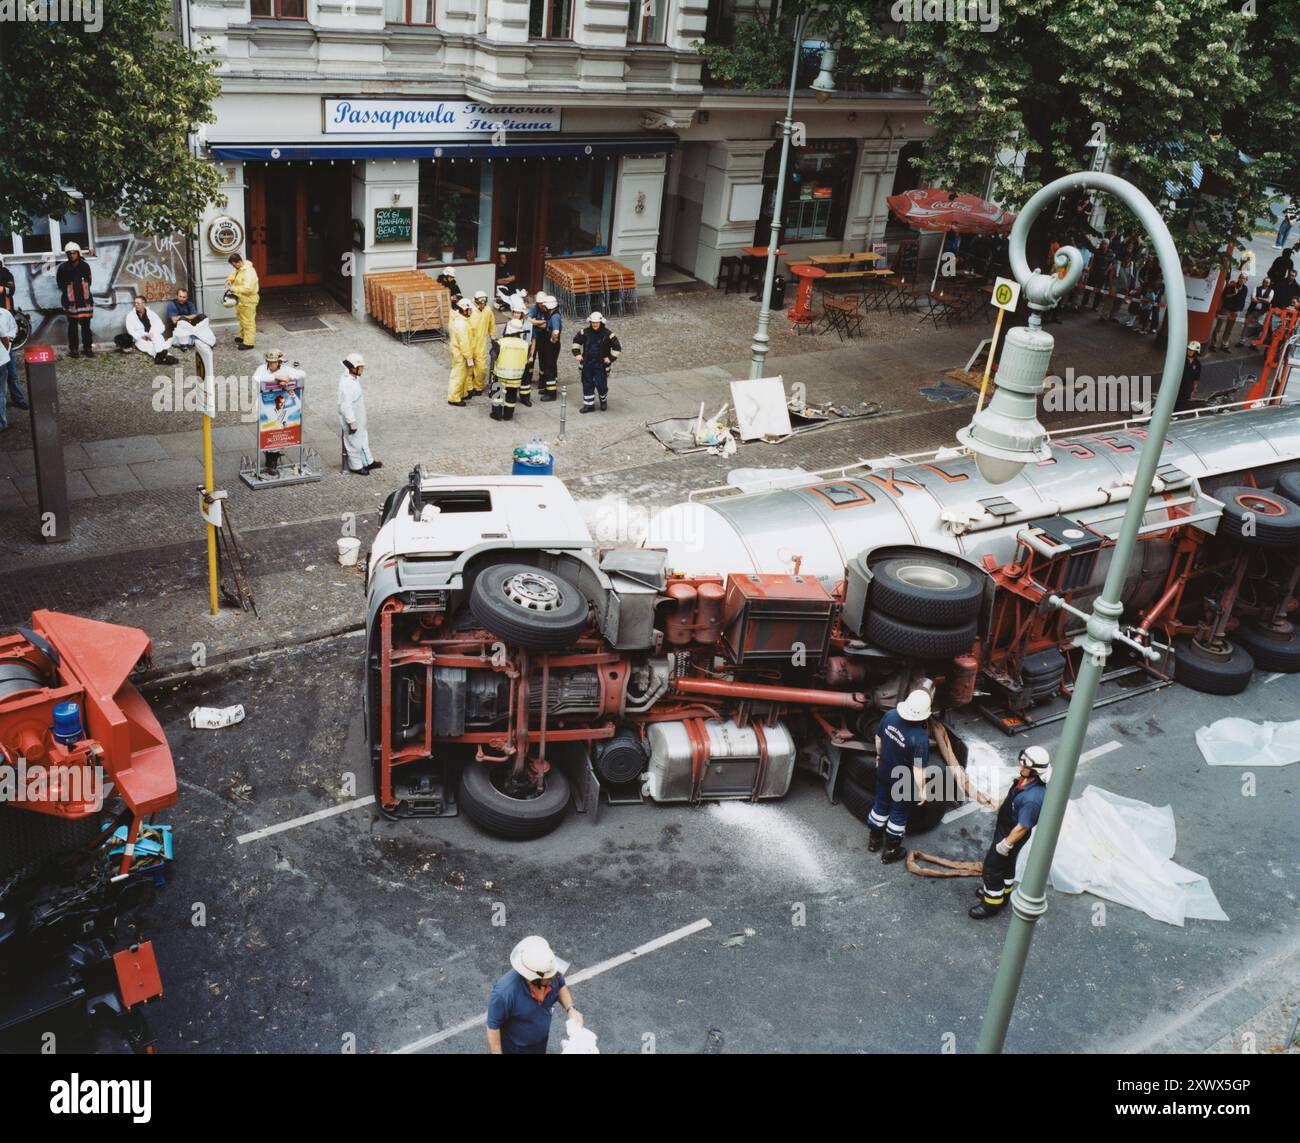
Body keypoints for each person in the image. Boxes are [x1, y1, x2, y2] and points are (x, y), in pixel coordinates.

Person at [968, 745, 1050, 919]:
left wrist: (1005, 844)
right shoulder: (1025, 780)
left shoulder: (1032, 799)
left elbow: (1023, 827)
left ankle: (991, 904)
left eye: (1025, 765)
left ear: (1036, 771)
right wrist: (999, 804)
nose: (1021, 767)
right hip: (1006, 828)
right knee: (1007, 865)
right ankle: (1003, 895)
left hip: (1011, 834)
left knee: (992, 868)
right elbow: (1014, 801)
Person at [485, 936, 582, 1055]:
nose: (555, 977)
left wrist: (570, 1008)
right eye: (549, 978)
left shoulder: (550, 971)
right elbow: (493, 1027)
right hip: (516, 1049)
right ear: (534, 979)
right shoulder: (504, 993)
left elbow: (561, 985)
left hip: (540, 1044)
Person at [866, 688, 932, 865]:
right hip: (902, 782)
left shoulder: (890, 715)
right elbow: (918, 770)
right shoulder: (920, 738)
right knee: (899, 812)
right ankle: (891, 851)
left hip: (884, 770)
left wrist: (878, 756)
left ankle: (874, 842)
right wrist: (922, 791)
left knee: (881, 803)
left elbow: (878, 739)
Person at [338, 352, 381, 475]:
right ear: (353, 368)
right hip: (352, 419)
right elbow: (345, 406)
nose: (362, 369)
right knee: (354, 443)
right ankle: (356, 466)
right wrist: (351, 421)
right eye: (360, 367)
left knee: (363, 439)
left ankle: (368, 462)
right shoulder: (346, 384)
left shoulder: (354, 379)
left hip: (359, 416)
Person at [571, 311, 621, 414]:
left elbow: (617, 347)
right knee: (587, 384)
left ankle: (603, 401)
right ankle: (589, 406)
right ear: (590, 322)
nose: (595, 324)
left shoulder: (608, 334)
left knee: (601, 385)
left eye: (596, 322)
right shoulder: (584, 332)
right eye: (593, 322)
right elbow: (576, 342)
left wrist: (610, 358)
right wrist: (577, 354)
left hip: (601, 365)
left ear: (601, 322)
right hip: (587, 364)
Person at [489, 319, 532, 422]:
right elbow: (527, 359)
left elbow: (493, 356)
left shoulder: (500, 342)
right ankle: (508, 415)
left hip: (501, 376)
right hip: (516, 378)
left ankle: (497, 414)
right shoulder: (526, 345)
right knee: (511, 396)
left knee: (497, 395)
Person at [57, 241, 94, 358]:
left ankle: (88, 348)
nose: (72, 255)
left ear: (78, 253)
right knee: (72, 327)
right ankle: (74, 349)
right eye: (69, 253)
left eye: (74, 253)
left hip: (85, 301)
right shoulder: (63, 268)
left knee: (86, 327)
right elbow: (60, 284)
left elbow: (89, 282)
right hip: (71, 302)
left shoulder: (85, 266)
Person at [0, 254, 25, 413]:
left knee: (11, 367)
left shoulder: (6, 274)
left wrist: (2, 288)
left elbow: (11, 290)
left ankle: (18, 398)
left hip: (5, 322)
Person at [125, 296, 177, 364]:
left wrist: (152, 333)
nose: (136, 305)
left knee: (158, 338)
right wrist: (141, 336)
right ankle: (166, 356)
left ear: (144, 303)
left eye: (138, 303)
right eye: (135, 303)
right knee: (148, 346)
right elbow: (130, 330)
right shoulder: (130, 316)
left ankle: (159, 357)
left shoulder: (151, 313)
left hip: (152, 335)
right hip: (141, 338)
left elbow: (161, 326)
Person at [225, 253, 260, 350]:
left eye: (234, 265)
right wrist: (229, 280)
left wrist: (233, 288)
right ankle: (243, 337)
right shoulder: (240, 268)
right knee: (242, 319)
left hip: (248, 300)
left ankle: (249, 343)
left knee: (248, 321)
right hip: (241, 299)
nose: (233, 267)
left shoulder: (249, 272)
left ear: (239, 262)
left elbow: (248, 289)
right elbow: (234, 274)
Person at [533, 293, 562, 402]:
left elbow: (556, 331)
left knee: (550, 369)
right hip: (550, 345)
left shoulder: (555, 317)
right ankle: (547, 388)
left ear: (549, 306)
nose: (543, 307)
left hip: (552, 346)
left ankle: (551, 393)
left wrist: (552, 340)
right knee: (547, 367)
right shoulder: (552, 314)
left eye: (545, 306)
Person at [447, 296, 476, 407]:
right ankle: (453, 398)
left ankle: (462, 393)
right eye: (470, 310)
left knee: (463, 374)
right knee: (458, 376)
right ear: (464, 310)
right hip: (461, 354)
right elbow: (464, 343)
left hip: (458, 352)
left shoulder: (460, 320)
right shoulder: (461, 324)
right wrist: (469, 357)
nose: (471, 312)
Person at [1209, 275, 1247, 351]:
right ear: (1238, 278)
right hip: (1226, 309)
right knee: (1218, 327)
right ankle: (1213, 345)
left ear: (1246, 280)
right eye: (1241, 278)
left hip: (1235, 311)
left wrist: (1239, 310)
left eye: (1244, 279)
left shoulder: (1245, 288)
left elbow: (1243, 300)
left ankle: (1224, 345)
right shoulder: (1231, 285)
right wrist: (1234, 294)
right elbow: (1224, 296)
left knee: (1229, 329)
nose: (1242, 280)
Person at [468, 290, 494, 397]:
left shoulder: (488, 311)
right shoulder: (470, 310)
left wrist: (492, 336)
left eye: (484, 303)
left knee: (481, 368)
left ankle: (478, 387)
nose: (482, 305)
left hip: (481, 344)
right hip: (469, 344)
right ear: (475, 301)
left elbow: (491, 324)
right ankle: (469, 388)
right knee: (469, 368)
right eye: (480, 303)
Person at [1239, 277, 1274, 346]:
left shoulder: (1271, 291)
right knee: (1247, 326)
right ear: (1262, 282)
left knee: (1258, 328)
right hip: (1252, 311)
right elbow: (1253, 299)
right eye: (1264, 281)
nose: (1265, 283)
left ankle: (1253, 344)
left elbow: (1269, 301)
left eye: (1267, 282)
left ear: (1269, 284)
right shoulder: (1256, 288)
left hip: (1262, 313)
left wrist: (1259, 298)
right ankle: (1241, 342)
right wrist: (1264, 300)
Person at [0, 304, 16, 431]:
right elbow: (5, 337)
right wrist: (6, 350)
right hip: (1, 360)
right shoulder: (3, 313)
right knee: (1, 392)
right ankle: (2, 423)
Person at [1175, 340, 1202, 412]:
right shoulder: (1181, 359)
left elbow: (1196, 378)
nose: (1189, 351)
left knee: (1182, 407)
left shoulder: (1197, 364)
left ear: (1196, 352)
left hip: (1187, 389)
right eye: (1189, 349)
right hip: (1177, 387)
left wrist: (1194, 389)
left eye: (1192, 350)